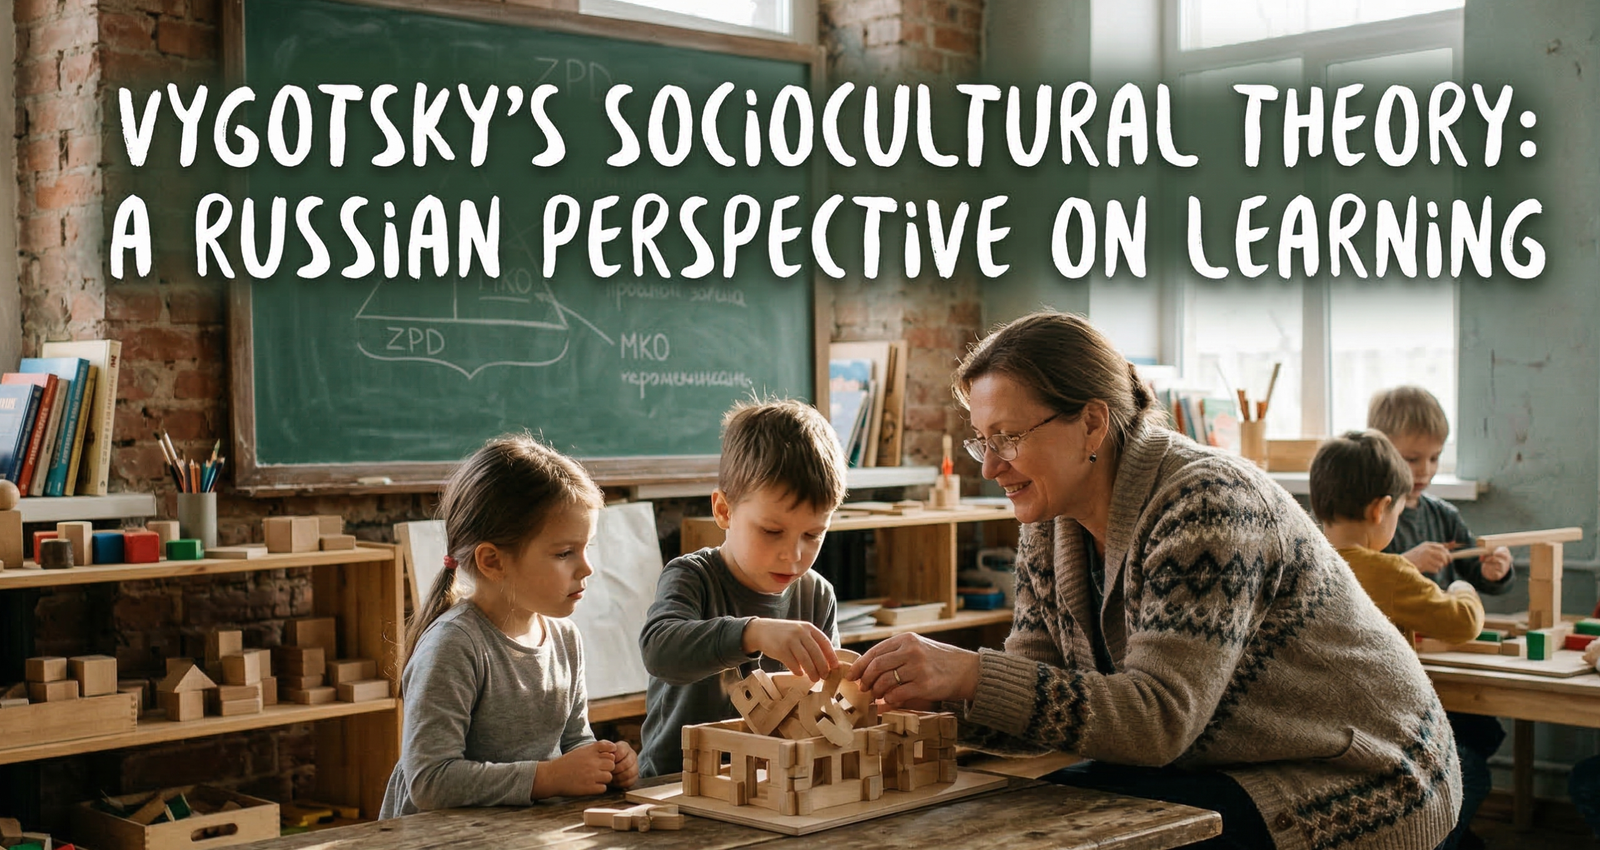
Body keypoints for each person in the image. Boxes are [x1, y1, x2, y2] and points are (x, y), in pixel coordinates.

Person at [846, 311, 1461, 850]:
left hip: (1356, 773)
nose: (989, 464)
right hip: (1218, 760)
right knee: (1000, 819)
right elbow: (1038, 694)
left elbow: (1158, 720)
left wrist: (970, 673)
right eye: (980, 439)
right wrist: (936, 697)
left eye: (1007, 436)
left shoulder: (1207, 504)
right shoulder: (1048, 520)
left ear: (1092, 424)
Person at [380, 434, 636, 818]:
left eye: (587, 548)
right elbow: (430, 781)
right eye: (565, 553)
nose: (587, 568)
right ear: (493, 562)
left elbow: (574, 741)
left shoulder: (566, 639)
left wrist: (605, 765)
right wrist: (548, 778)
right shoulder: (454, 646)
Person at [637, 399, 848, 777]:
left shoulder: (817, 595)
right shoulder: (691, 576)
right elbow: (658, 650)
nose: (793, 555)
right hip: (677, 782)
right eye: (771, 531)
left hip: (775, 782)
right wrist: (753, 633)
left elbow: (823, 699)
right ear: (724, 511)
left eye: (814, 534)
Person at [1370, 386, 1512, 850]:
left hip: (1453, 649)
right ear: (1381, 449)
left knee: (1483, 731)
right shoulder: (1375, 515)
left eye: (1435, 459)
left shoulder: (1444, 514)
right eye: (1413, 459)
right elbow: (1367, 572)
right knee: (1463, 755)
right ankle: (1445, 834)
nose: (1425, 471)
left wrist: (1495, 571)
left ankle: (1448, 829)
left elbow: (1478, 572)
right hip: (1408, 659)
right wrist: (1406, 560)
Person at [1310, 429, 1485, 648]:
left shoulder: (1302, 564)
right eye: (1398, 513)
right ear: (1380, 510)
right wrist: (1462, 589)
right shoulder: (1391, 574)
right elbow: (1465, 623)